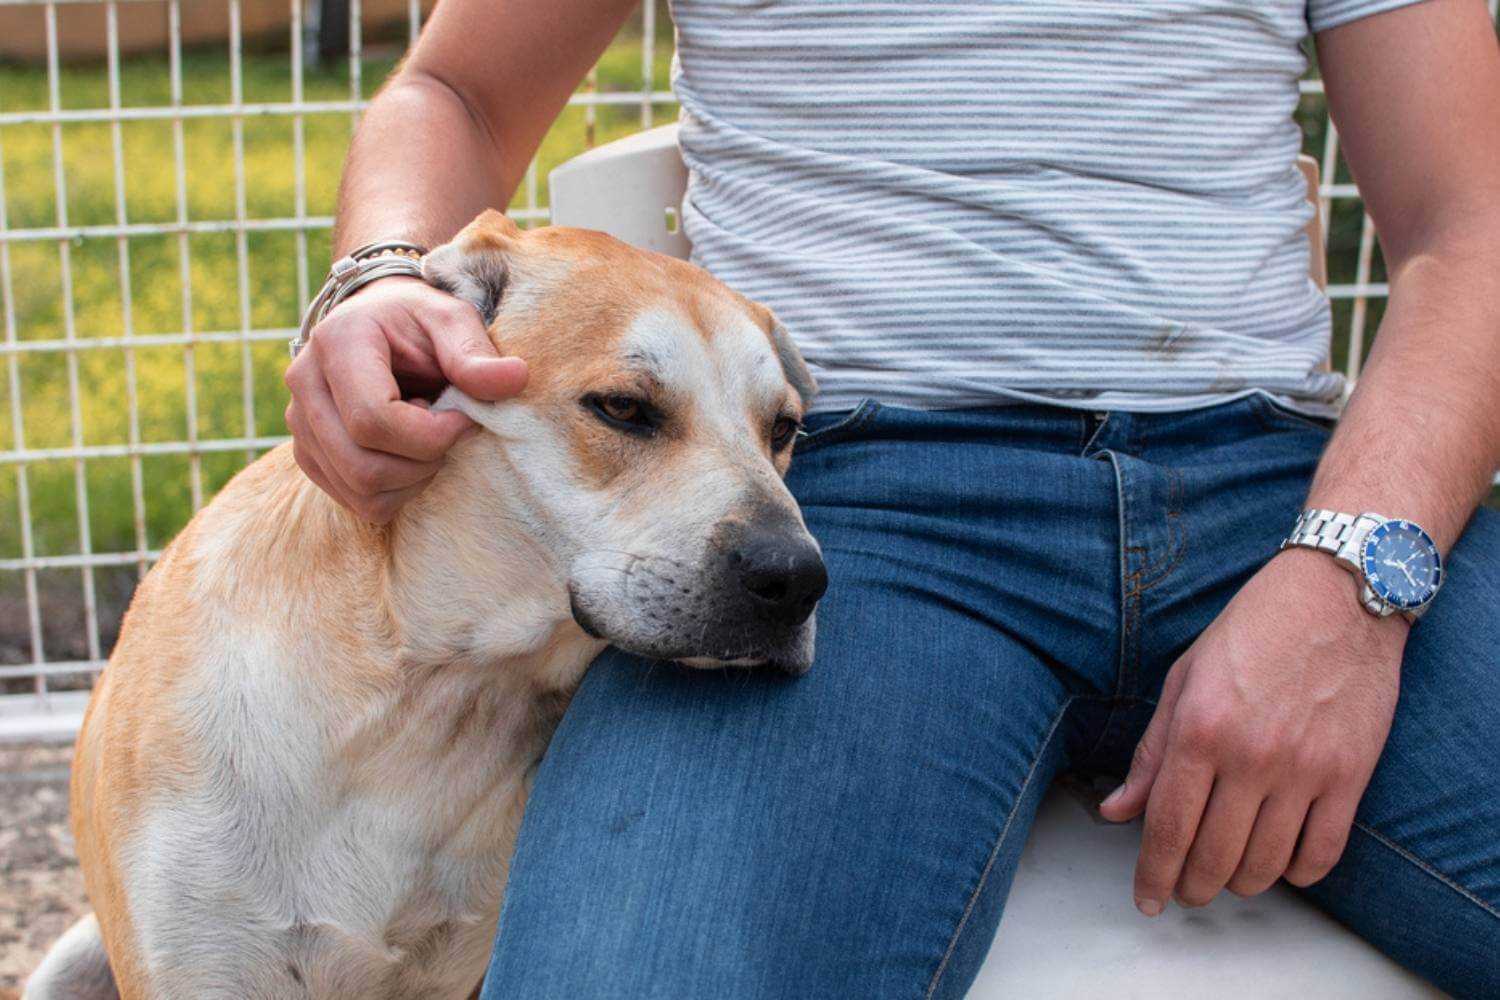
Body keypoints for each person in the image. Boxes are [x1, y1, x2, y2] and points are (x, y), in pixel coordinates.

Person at [283, 0, 1500, 995]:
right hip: (840, 511)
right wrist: (379, 278)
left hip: (1289, 496)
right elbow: (453, 94)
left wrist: (1351, 586)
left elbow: (1471, 228)